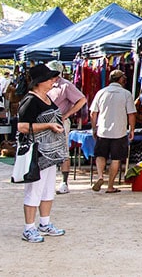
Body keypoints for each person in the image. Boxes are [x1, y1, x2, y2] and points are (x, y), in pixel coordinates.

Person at [17, 64, 67, 243]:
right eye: (49, 78)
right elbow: (22, 127)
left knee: (47, 191)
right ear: (39, 82)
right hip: (37, 152)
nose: (53, 81)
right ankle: (28, 227)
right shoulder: (30, 100)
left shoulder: (46, 97)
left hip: (50, 153)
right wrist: (48, 125)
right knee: (34, 190)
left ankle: (44, 223)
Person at [89, 69, 136, 193]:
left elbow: (93, 113)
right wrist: (132, 129)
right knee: (116, 159)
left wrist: (94, 128)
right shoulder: (126, 94)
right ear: (121, 79)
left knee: (100, 155)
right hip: (119, 131)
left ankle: (100, 176)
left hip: (103, 130)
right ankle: (110, 186)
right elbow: (131, 114)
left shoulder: (101, 92)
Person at [46, 61, 87, 195]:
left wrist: (67, 114)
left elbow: (82, 100)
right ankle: (47, 181)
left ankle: (64, 182)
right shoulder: (45, 84)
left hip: (59, 122)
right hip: (45, 122)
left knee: (63, 151)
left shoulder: (66, 85)